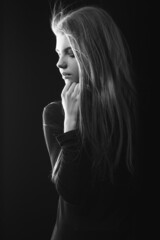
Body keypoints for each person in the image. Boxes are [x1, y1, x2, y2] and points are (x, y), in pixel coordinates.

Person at [42, 3, 137, 240]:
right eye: (58, 53)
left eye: (71, 53)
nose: (59, 63)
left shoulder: (128, 111)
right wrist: (71, 123)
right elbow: (71, 192)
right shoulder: (55, 114)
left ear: (96, 53)